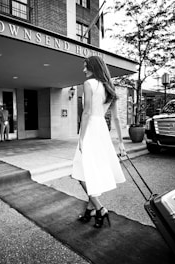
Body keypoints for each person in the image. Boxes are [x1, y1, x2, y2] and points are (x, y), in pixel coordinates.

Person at [72, 56, 127, 228]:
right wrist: (121, 142)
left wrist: (81, 137)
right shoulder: (110, 88)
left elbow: (87, 112)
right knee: (89, 171)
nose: (83, 70)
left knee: (80, 172)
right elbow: (117, 119)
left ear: (93, 67)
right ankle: (91, 211)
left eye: (85, 66)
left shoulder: (89, 84)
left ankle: (100, 208)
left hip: (90, 130)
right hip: (102, 130)